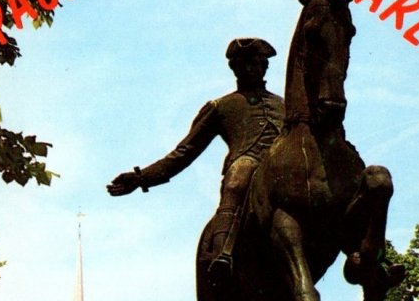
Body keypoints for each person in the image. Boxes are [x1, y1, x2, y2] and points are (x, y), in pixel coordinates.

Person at [107, 38, 285, 281]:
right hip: (248, 164)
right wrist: (141, 178)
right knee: (239, 175)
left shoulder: (284, 105)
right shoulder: (220, 107)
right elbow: (184, 152)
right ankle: (223, 253)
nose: (251, 69)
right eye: (244, 64)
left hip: (283, 169)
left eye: (256, 63)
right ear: (234, 68)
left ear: (264, 66)